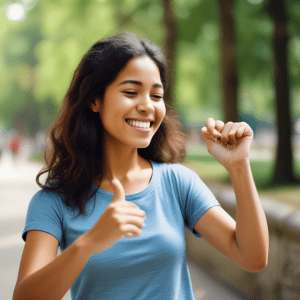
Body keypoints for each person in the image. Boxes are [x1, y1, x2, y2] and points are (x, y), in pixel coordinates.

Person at [13, 32, 269, 300]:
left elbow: (252, 258)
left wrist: (239, 167)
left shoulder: (177, 182)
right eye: (131, 92)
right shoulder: (54, 200)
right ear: (94, 99)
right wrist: (90, 242)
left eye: (156, 96)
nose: (147, 106)